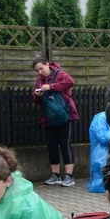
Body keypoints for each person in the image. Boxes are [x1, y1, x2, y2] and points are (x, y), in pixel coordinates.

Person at [32, 56, 78, 187]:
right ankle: (55, 175)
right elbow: (36, 100)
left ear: (47, 64)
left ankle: (69, 176)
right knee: (51, 145)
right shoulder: (39, 81)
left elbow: (70, 82)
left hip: (66, 115)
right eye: (37, 71)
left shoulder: (60, 73)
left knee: (65, 144)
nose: (40, 72)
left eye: (41, 68)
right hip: (49, 117)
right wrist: (37, 95)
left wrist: (51, 86)